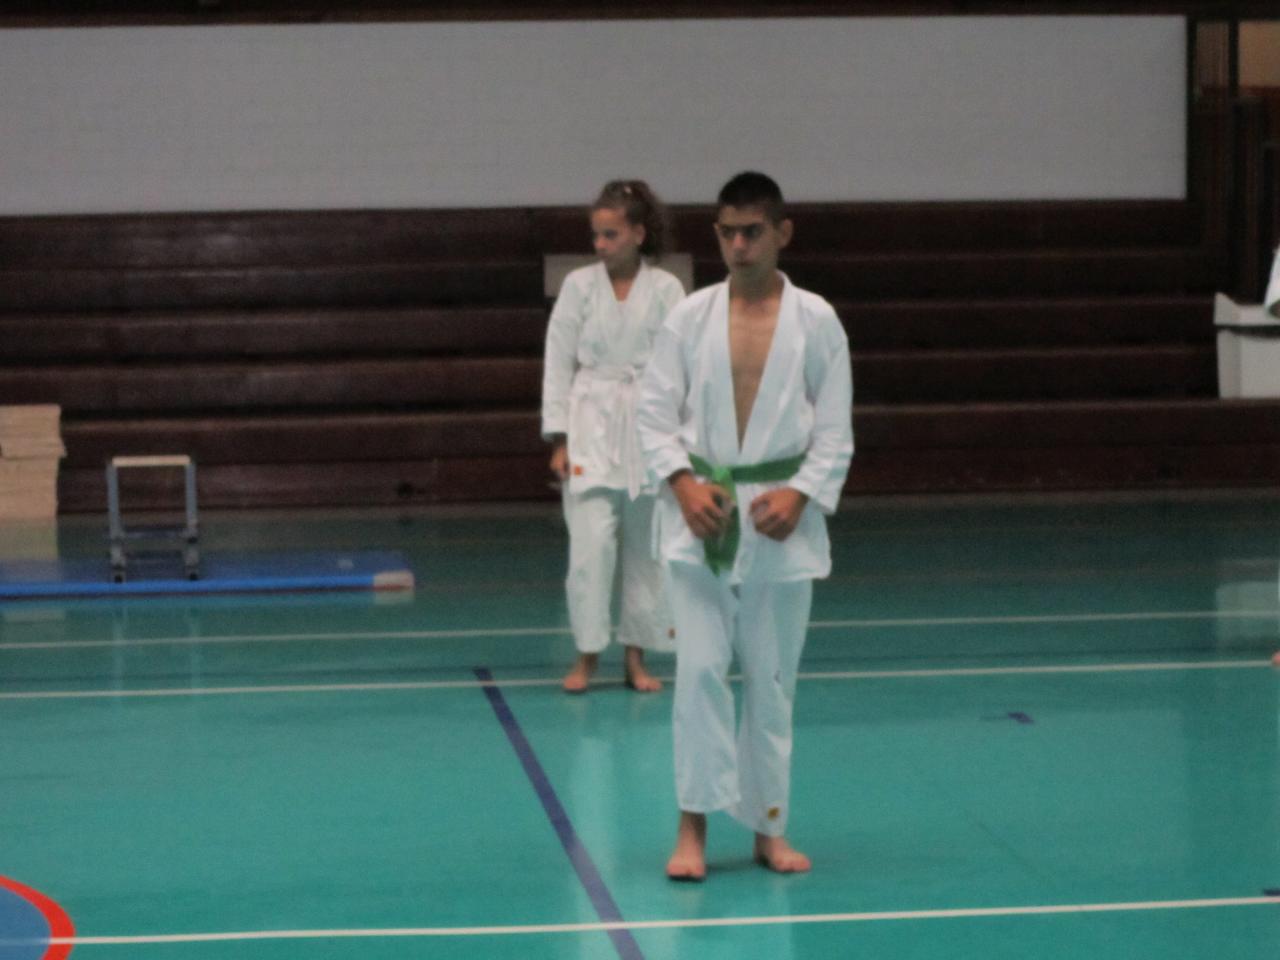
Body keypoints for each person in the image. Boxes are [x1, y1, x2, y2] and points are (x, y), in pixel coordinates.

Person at [636, 171, 853, 880]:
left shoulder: (817, 320)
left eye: (752, 231)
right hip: (702, 514)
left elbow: (835, 431)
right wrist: (682, 484)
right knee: (699, 672)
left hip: (779, 520)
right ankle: (692, 828)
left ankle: (767, 827)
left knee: (771, 679)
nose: (738, 244)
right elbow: (653, 414)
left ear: (782, 233)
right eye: (727, 232)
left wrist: (802, 495)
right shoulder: (690, 317)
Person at [541, 180, 686, 693]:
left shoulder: (667, 289)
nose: (599, 245)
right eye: (596, 235)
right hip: (590, 422)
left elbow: (681, 367)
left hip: (647, 425)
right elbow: (558, 361)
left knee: (646, 551)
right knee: (590, 550)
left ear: (638, 234)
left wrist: (678, 441)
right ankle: (586, 655)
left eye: (610, 234)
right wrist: (559, 439)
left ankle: (636, 657)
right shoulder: (579, 286)